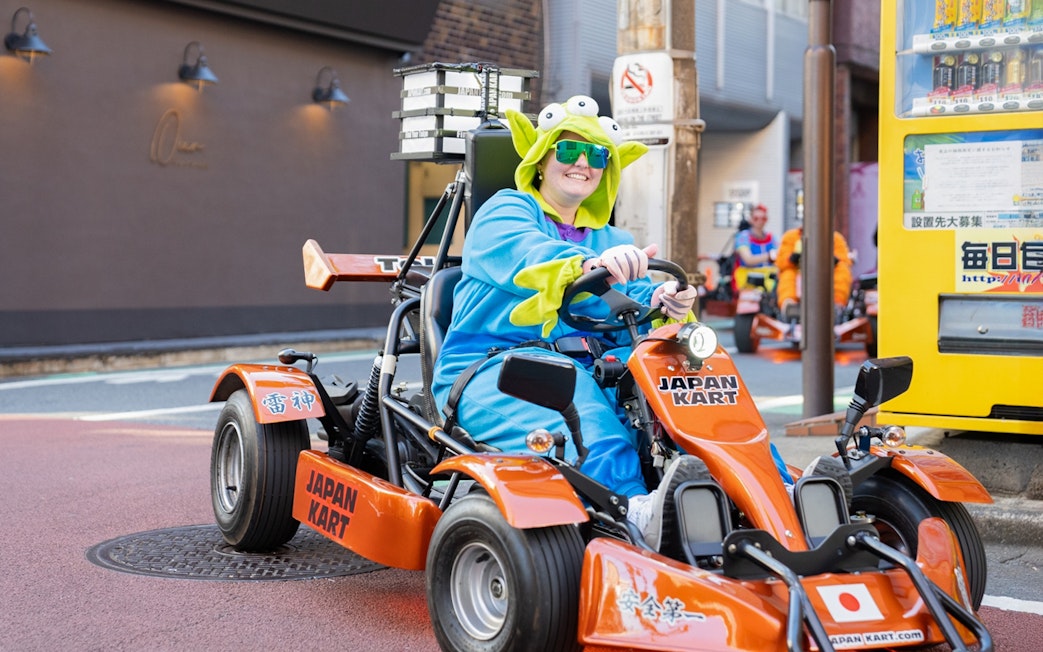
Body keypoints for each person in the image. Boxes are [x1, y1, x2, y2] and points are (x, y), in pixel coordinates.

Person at [431, 95, 793, 552]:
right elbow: (529, 255)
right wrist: (590, 264)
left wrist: (664, 300)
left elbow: (631, 303)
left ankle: (772, 489)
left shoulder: (613, 238)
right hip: (495, 365)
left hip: (587, 365)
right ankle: (635, 510)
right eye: (568, 149)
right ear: (541, 158)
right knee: (580, 401)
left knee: (687, 378)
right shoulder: (506, 211)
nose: (583, 163)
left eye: (597, 154)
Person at [775, 222, 853, 319]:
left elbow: (844, 260)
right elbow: (781, 262)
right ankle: (789, 304)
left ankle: (836, 304)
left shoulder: (835, 238)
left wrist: (832, 259)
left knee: (842, 270)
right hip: (798, 273)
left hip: (826, 275)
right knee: (787, 273)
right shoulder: (790, 237)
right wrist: (792, 258)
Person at [730, 203, 778, 294]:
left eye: (763, 218)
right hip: (748, 280)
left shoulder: (771, 238)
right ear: (751, 219)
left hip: (770, 280)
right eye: (756, 218)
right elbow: (748, 259)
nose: (760, 221)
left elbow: (779, 256)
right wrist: (769, 256)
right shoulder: (743, 237)